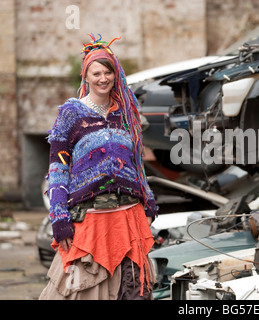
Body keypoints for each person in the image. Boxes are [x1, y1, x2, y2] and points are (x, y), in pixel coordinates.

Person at [39, 34, 158, 300]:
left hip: (129, 220)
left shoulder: (126, 113)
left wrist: (148, 203)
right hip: (91, 222)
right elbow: (58, 169)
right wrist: (59, 219)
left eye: (108, 72)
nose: (103, 78)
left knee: (135, 291)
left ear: (116, 75)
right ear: (86, 76)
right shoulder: (71, 114)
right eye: (96, 73)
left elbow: (137, 163)